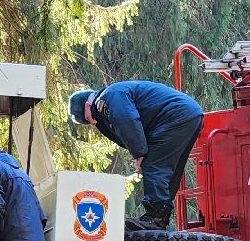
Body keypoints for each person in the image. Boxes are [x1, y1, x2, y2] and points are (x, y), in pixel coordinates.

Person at [69, 81, 204, 231]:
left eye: (88, 119)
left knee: (154, 166)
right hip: (190, 114)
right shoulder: (112, 95)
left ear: (88, 105)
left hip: (174, 115)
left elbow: (126, 120)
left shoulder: (109, 97)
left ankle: (155, 217)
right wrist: (142, 154)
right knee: (168, 171)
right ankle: (160, 215)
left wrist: (139, 154)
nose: (92, 123)